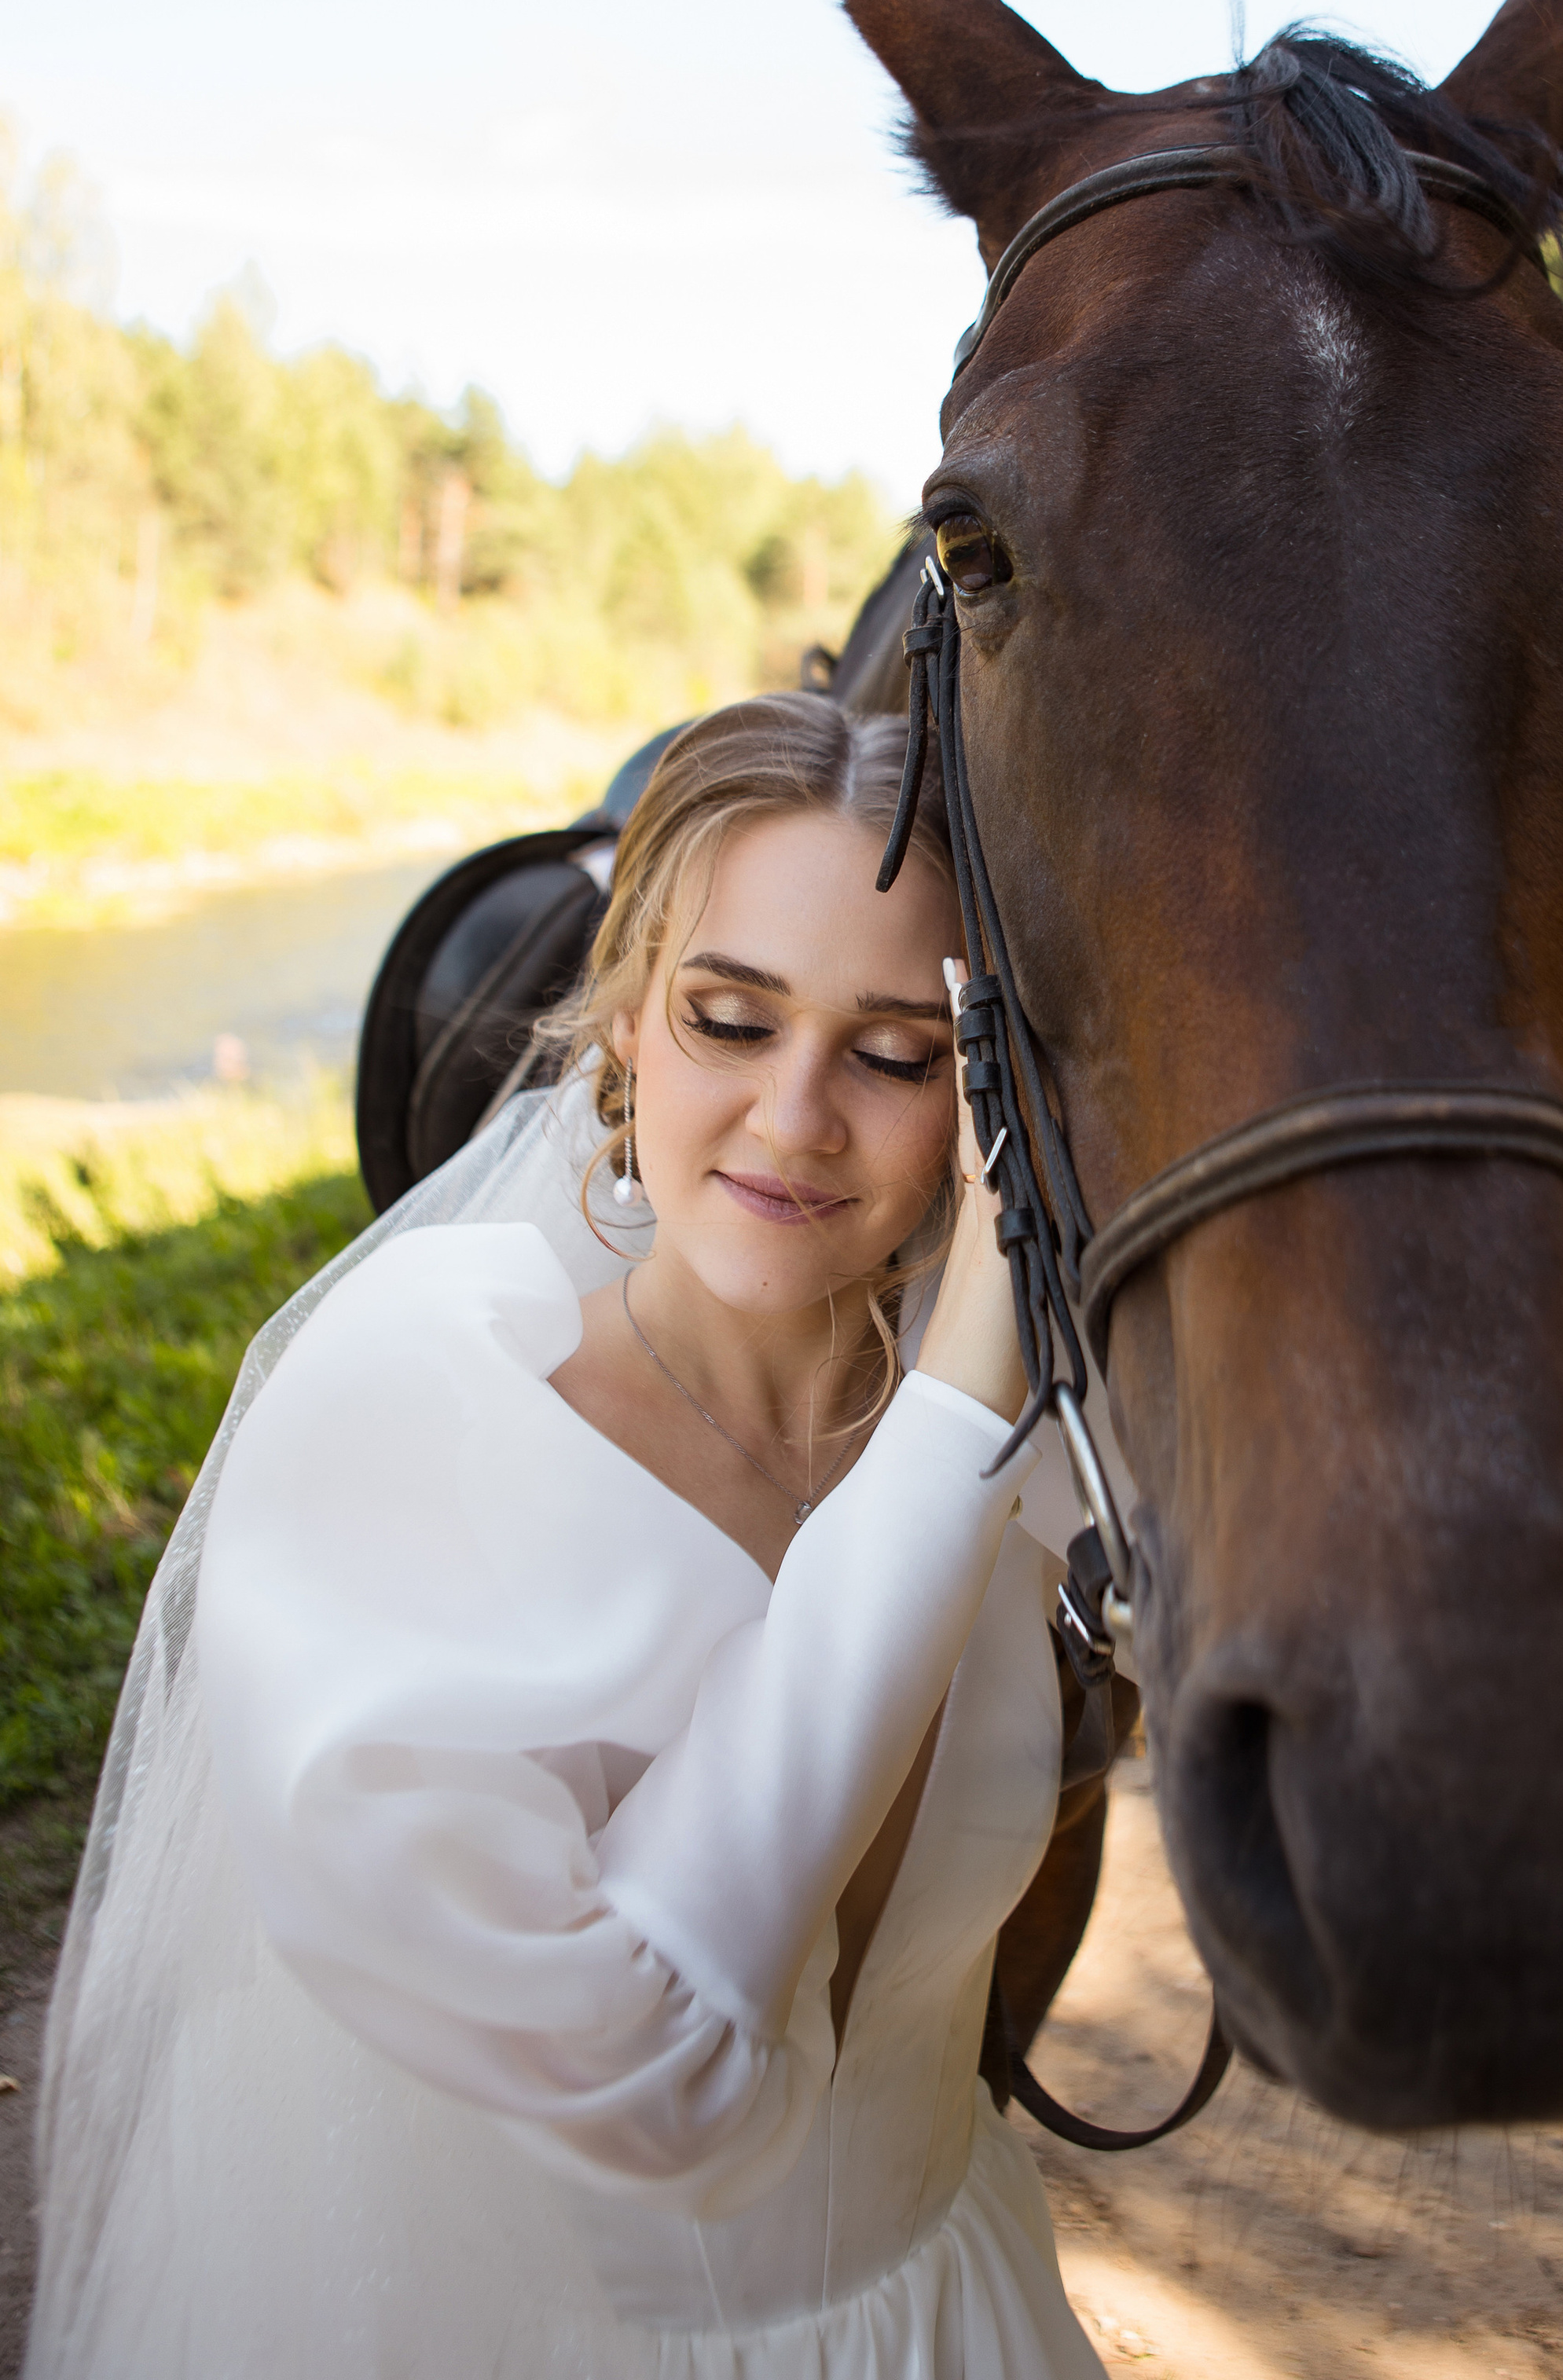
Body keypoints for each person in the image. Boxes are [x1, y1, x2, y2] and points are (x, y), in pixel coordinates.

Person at [28, 695, 1111, 2379]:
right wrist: (957, 1419)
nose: (795, 1117)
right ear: (624, 1021)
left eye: (897, 1054)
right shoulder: (419, 1417)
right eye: (729, 1020)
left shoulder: (1054, 1462)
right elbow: (655, 2069)